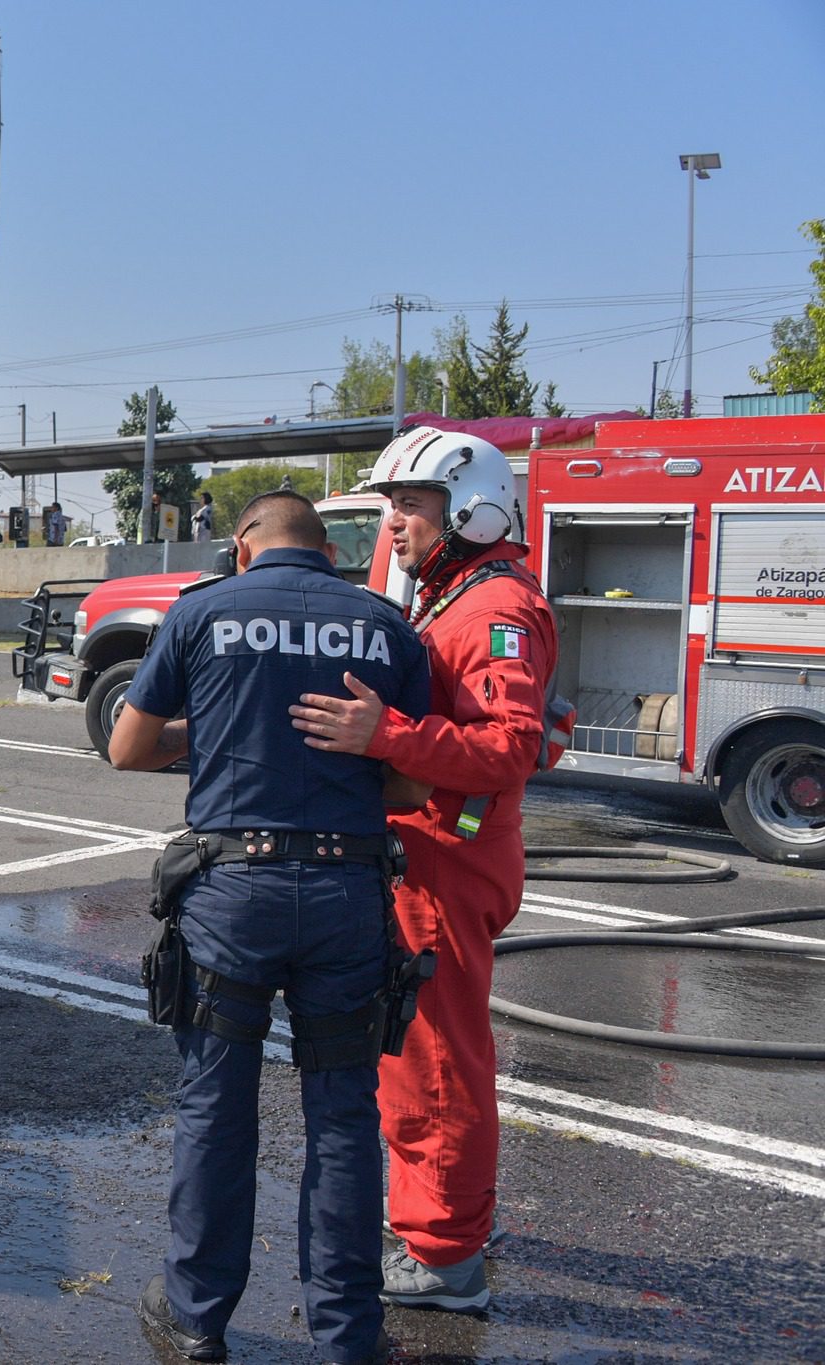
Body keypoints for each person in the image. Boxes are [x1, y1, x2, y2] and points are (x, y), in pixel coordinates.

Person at [111, 490, 431, 1365]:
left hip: (232, 893)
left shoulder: (203, 611)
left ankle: (196, 1314)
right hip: (346, 893)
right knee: (341, 1113)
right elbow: (409, 785)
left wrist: (216, 728)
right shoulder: (387, 625)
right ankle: (346, 1336)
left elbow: (127, 747)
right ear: (327, 550)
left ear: (245, 547)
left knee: (215, 1106)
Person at [291, 427, 556, 1314]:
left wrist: (387, 736)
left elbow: (511, 744)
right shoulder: (458, 593)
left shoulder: (493, 609)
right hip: (439, 849)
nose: (392, 521)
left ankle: (446, 1258)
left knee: (436, 1062)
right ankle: (440, 1219)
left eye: (409, 504)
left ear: (469, 508)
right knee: (415, 1055)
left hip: (451, 857)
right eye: (389, 505)